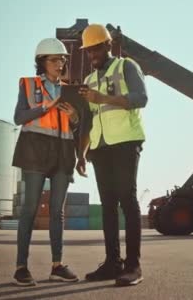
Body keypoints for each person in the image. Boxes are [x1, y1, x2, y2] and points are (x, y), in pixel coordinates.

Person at [76, 24, 148, 287]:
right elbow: (87, 121)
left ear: (108, 45)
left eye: (96, 47)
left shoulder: (126, 66)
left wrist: (102, 97)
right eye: (88, 50)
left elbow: (141, 98)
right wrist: (81, 154)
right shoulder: (88, 81)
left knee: (127, 200)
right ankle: (112, 263)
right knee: (107, 206)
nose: (92, 54)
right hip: (99, 147)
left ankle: (133, 266)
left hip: (126, 141)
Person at [11, 38, 80, 286]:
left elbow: (79, 127)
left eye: (62, 59)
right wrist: (46, 106)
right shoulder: (29, 85)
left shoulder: (71, 89)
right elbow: (19, 117)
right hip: (35, 149)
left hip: (63, 151)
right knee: (29, 209)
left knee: (57, 213)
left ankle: (57, 266)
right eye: (54, 59)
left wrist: (74, 118)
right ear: (42, 62)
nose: (60, 63)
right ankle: (21, 267)